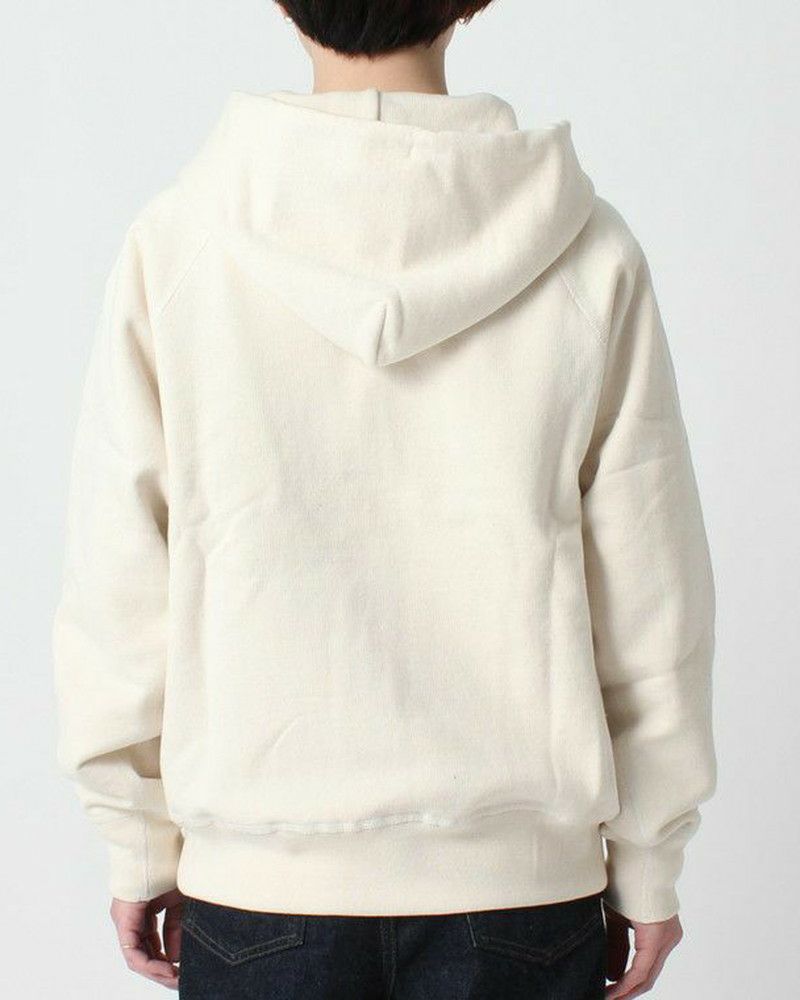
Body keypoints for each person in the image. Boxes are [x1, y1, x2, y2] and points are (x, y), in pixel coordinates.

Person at [52, 2, 717, 997]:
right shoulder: (588, 250)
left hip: (261, 891)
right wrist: (650, 860)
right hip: (521, 896)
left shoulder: (177, 244)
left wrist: (137, 842)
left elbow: (119, 579)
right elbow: (652, 594)